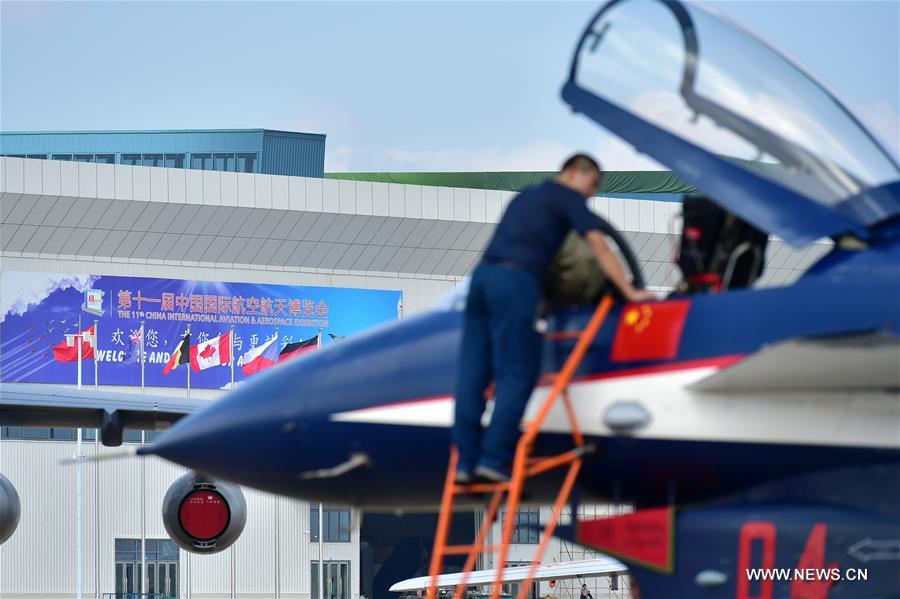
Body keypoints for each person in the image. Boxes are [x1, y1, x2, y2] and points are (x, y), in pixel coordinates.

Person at [453, 153, 655, 483]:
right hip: (517, 282)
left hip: (481, 280)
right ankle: (493, 460)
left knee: (473, 373)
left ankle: (464, 463)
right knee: (518, 372)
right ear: (575, 173)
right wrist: (630, 294)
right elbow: (599, 246)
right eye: (593, 184)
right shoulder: (566, 198)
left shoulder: (526, 196)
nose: (592, 193)